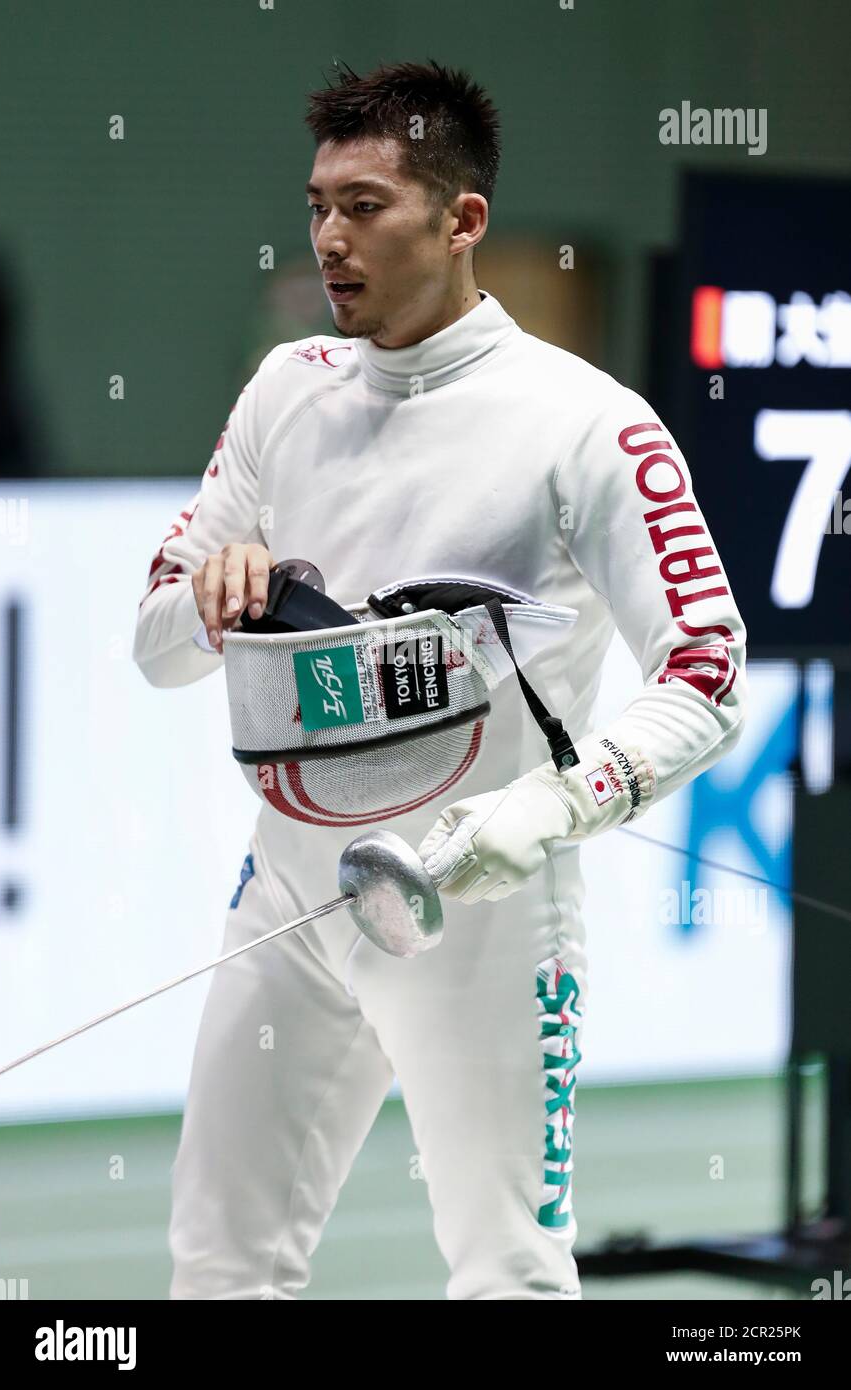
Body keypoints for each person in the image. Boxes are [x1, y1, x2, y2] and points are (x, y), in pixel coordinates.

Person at [133, 59, 747, 1301]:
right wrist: (213, 595)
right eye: (317, 205)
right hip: (292, 898)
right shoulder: (283, 392)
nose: (329, 237)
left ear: (461, 220)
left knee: (505, 1274)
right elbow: (155, 647)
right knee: (217, 1263)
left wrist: (540, 814)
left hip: (482, 908)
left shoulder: (588, 424)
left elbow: (707, 671)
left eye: (365, 205)